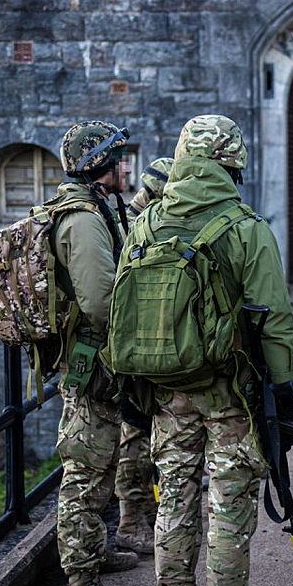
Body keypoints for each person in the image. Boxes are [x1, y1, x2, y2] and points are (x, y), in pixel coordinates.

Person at [137, 115, 293, 586]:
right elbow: (273, 319)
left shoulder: (149, 221)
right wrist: (285, 388)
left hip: (166, 390)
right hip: (230, 394)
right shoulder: (245, 226)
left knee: (175, 497)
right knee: (229, 505)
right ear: (233, 163)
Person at [51, 120, 140, 586]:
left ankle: (98, 550)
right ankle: (81, 584)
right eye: (117, 160)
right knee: (84, 471)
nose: (124, 168)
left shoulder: (98, 208)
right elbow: (101, 302)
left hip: (98, 363)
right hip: (90, 364)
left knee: (102, 462)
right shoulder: (84, 220)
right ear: (98, 167)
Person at [113, 157, 174, 556]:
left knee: (140, 433)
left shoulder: (131, 221)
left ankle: (143, 515)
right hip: (135, 350)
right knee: (134, 436)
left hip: (138, 346)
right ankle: (130, 522)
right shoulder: (136, 227)